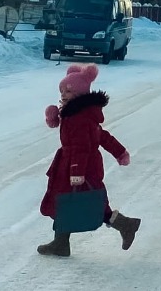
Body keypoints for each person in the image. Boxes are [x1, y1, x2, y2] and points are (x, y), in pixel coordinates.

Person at [38, 63, 140, 257]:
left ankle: (126, 225)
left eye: (68, 91)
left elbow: (82, 147)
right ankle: (61, 243)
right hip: (71, 164)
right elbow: (102, 136)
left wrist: (77, 172)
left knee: (90, 202)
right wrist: (119, 152)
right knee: (65, 202)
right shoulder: (75, 113)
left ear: (80, 93)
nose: (63, 94)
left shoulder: (80, 118)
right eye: (62, 91)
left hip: (80, 166)